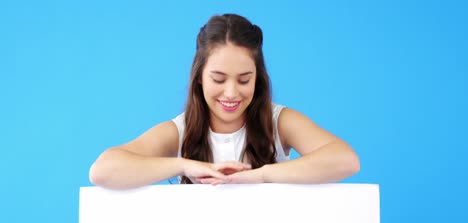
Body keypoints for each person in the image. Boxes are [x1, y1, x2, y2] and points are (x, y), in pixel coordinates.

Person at [89, 14, 360, 189]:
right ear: (199, 78)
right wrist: (185, 165)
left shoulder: (278, 122)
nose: (231, 94)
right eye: (218, 79)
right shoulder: (180, 131)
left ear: (258, 79)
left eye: (244, 80)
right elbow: (103, 170)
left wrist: (261, 175)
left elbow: (345, 160)